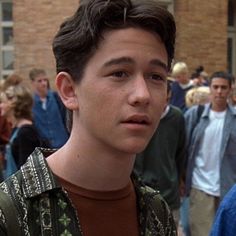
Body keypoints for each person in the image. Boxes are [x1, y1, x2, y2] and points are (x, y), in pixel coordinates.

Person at [0, 0, 177, 235]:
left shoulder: (157, 213)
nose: (142, 95)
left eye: (155, 76)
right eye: (119, 73)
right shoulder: (12, 214)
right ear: (69, 90)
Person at [184, 71, 236, 236]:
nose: (219, 91)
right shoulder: (195, 115)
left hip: (228, 189)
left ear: (230, 90)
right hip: (200, 188)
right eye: (215, 87)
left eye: (223, 87)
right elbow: (183, 148)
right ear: (210, 88)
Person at [134, 80, 186, 228]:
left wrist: (179, 180)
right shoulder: (137, 117)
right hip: (139, 191)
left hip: (168, 192)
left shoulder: (176, 117)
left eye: (167, 99)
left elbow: (181, 153)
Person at [0, 83, 42, 178]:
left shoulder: (26, 132)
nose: (0, 106)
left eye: (2, 102)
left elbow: (27, 174)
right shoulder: (17, 129)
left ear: (12, 104)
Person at [29, 68, 69, 148]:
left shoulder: (57, 98)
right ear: (32, 83)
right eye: (39, 81)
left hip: (62, 144)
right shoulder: (30, 103)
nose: (43, 83)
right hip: (44, 147)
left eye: (45, 80)